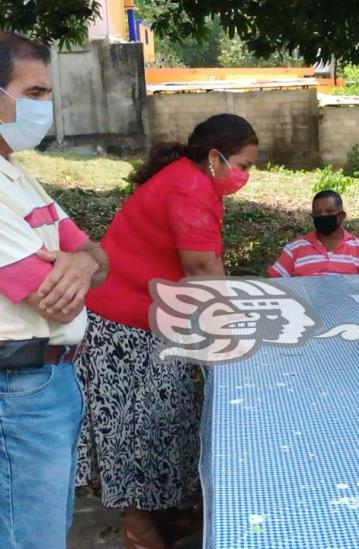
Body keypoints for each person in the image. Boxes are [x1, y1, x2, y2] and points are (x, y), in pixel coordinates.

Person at [74, 114, 258, 547]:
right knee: (142, 433)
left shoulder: (196, 183)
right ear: (215, 157)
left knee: (171, 422)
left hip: (149, 322)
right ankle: (140, 528)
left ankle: (169, 517)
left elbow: (209, 265)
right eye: (244, 164)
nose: (247, 175)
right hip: (124, 331)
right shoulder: (188, 188)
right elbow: (199, 269)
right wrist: (230, 330)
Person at [0, 32, 108, 547]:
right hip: (17, 387)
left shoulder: (16, 176)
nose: (47, 107)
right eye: (36, 93)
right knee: (29, 536)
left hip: (46, 380)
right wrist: (79, 268)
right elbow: (52, 298)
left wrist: (81, 266)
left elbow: (99, 258)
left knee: (44, 529)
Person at [267, 190, 359, 277]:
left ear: (342, 215)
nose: (323, 216)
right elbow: (275, 284)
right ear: (312, 216)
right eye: (318, 213)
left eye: (329, 211)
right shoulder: (295, 248)